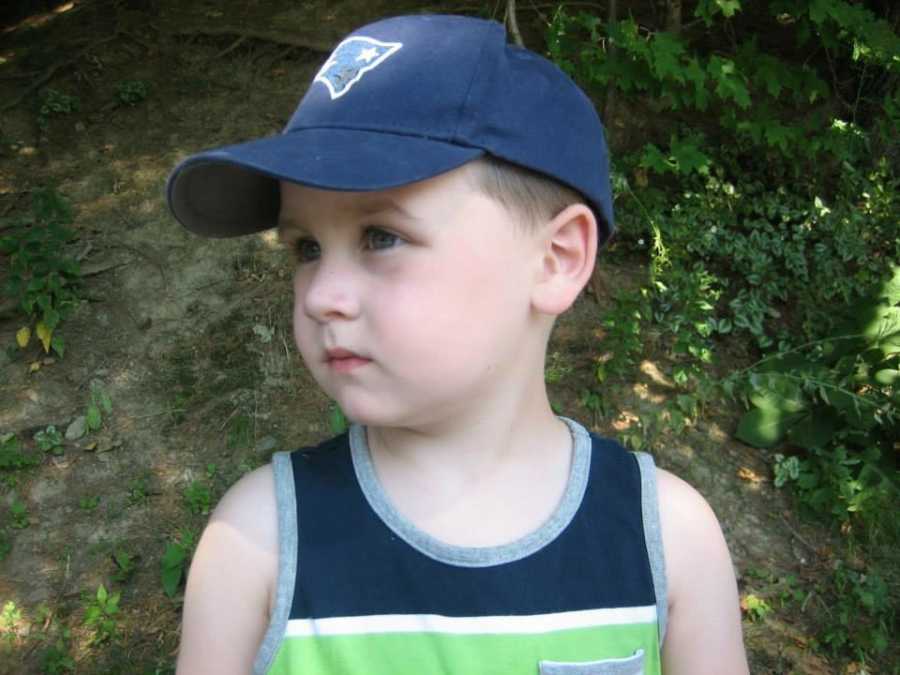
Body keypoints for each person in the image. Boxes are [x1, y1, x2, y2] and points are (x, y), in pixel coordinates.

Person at [166, 14, 749, 675]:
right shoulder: (259, 543)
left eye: (381, 236)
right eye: (306, 247)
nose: (321, 293)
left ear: (557, 258)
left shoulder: (664, 542)